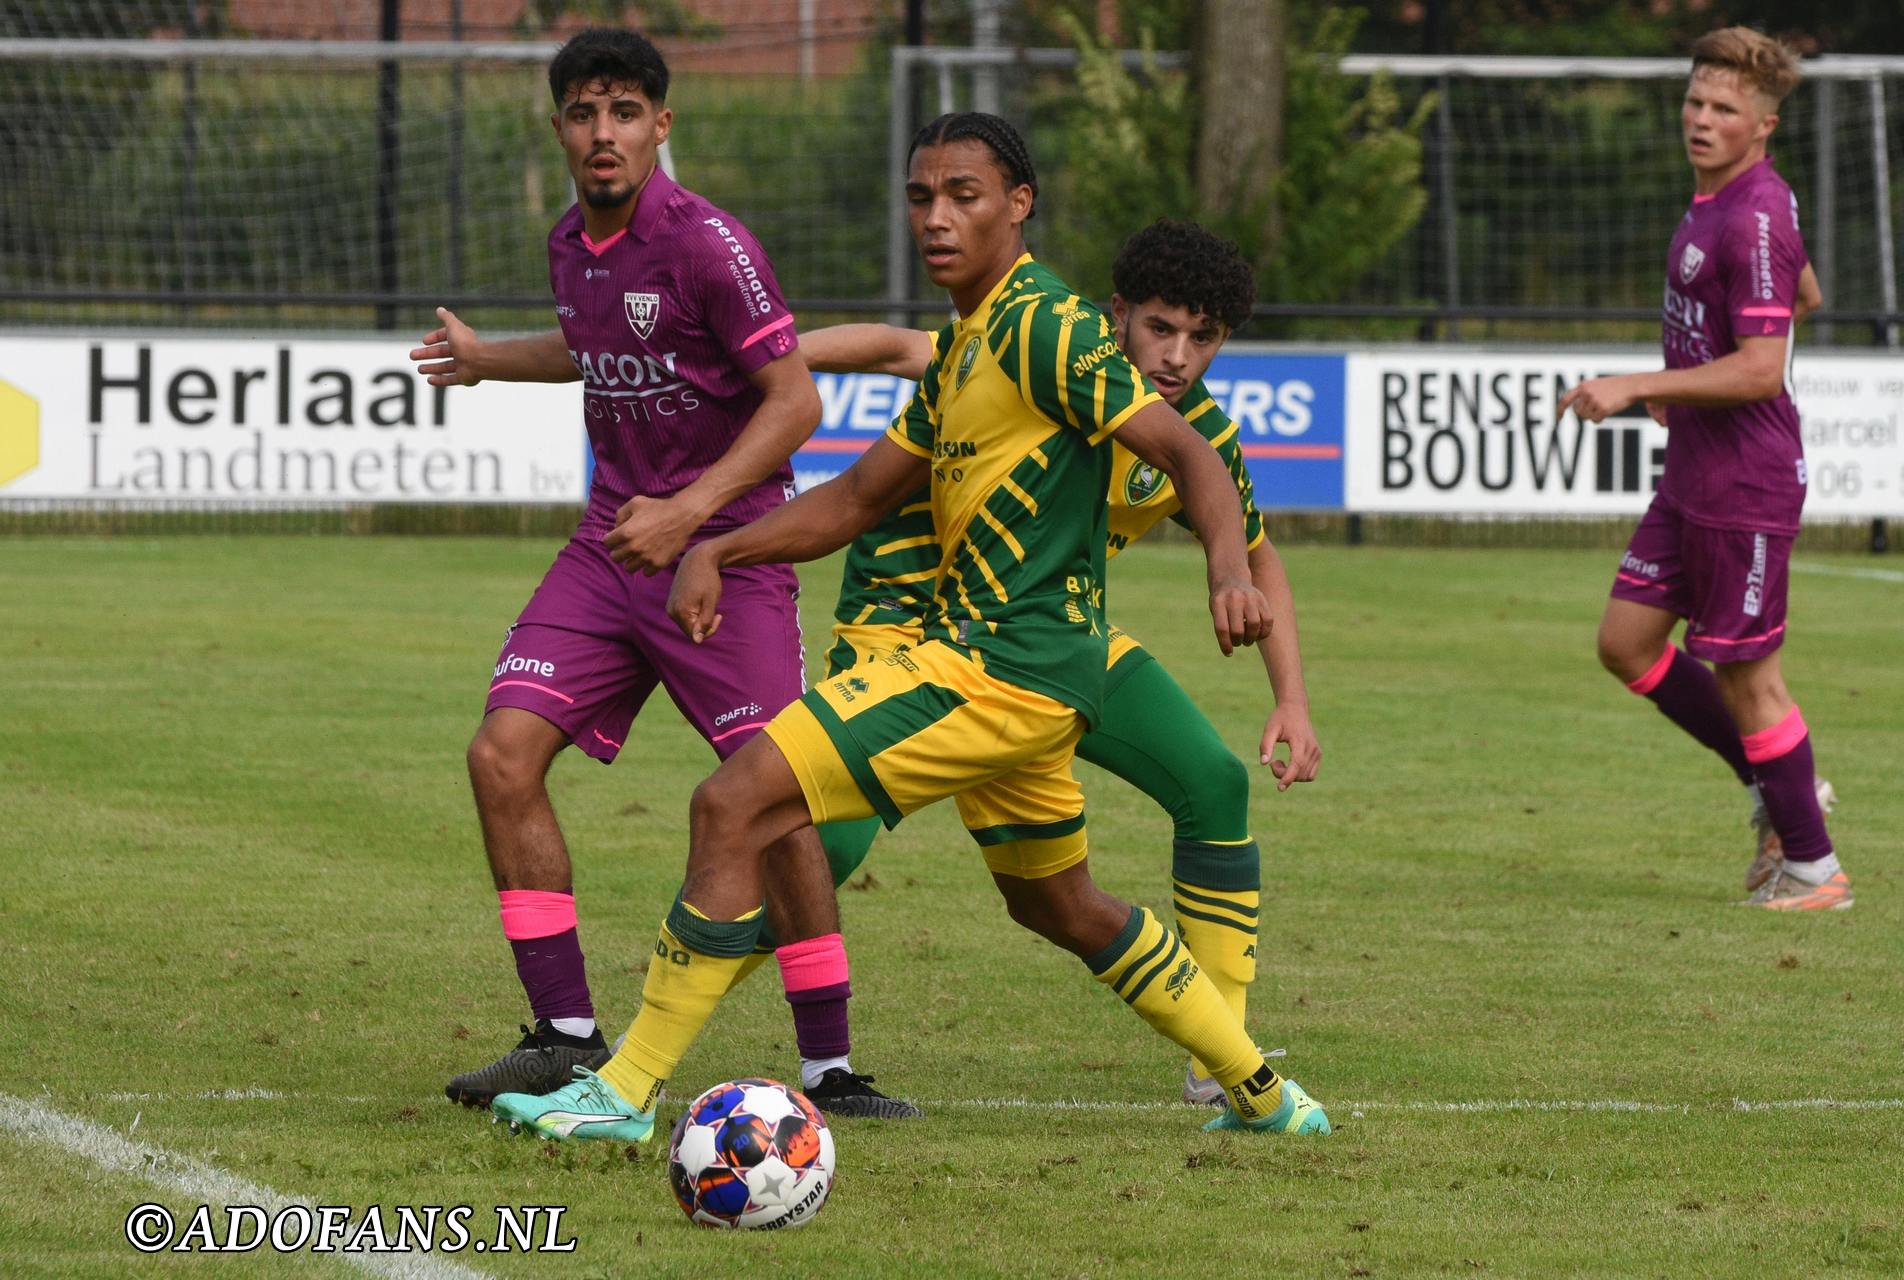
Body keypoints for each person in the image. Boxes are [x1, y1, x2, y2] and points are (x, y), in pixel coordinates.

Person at [488, 111, 1331, 1143]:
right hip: (1007, 670)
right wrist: (716, 544)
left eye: (964, 196)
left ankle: (622, 1089)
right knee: (1060, 904)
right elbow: (852, 501)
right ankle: (1264, 1094)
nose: (937, 217)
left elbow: (1190, 453)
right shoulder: (970, 346)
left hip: (999, 666)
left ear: (1018, 205)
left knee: (734, 800)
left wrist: (1224, 572)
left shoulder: (1047, 326)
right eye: (921, 197)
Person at [410, 27, 912, 1116]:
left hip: (722, 557)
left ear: (660, 126)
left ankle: (830, 1065)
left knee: (769, 794)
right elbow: (589, 345)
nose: (605, 132)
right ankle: (565, 1036)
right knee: (501, 753)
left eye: (625, 112)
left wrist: (693, 513)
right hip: (607, 550)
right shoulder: (568, 243)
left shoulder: (707, 244)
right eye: (585, 114)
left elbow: (796, 403)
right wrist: (492, 360)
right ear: (560, 130)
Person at [798, 217, 1320, 1106]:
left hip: (1049, 637)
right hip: (912, 628)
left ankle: (1221, 1054)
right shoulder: (1046, 351)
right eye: (1160, 327)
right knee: (814, 842)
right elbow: (895, 347)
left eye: (1205, 338)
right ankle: (672, 1034)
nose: (1179, 355)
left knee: (1213, 782)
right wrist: (768, 359)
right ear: (1118, 314)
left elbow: (1257, 549)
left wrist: (1292, 702)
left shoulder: (1197, 434)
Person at [1558, 27, 1847, 910]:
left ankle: (1814, 867)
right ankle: (1772, 785)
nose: (1702, 118)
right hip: (1696, 474)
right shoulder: (1726, 203)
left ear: (1762, 125)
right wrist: (1684, 384)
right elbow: (1804, 293)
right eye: (1695, 101)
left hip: (1744, 482)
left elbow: (1764, 365)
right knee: (1628, 643)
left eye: (1724, 109)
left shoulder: (1752, 213)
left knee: (1748, 675)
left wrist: (1643, 382)